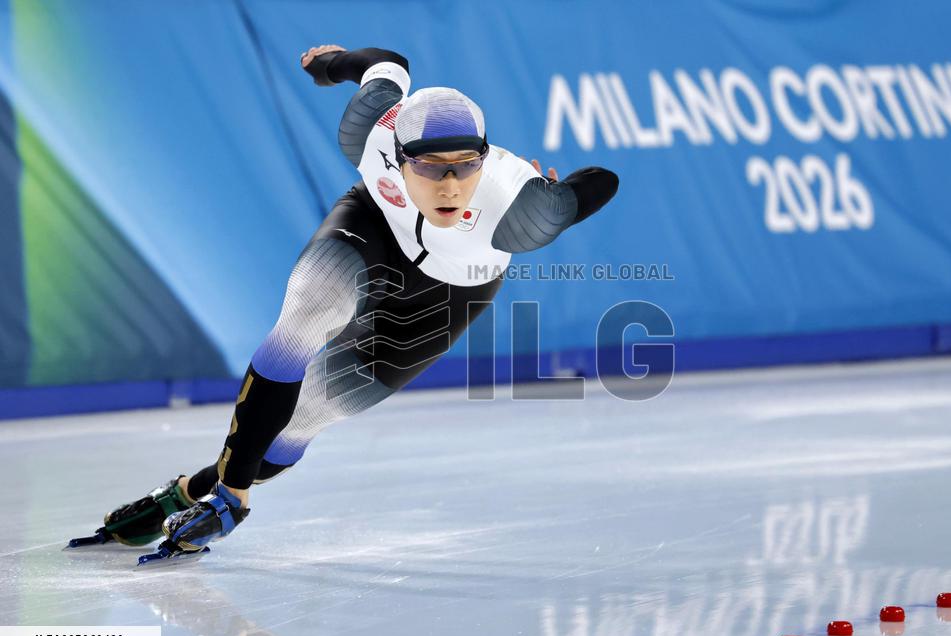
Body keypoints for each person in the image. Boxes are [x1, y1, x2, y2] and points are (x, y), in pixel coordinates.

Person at [69, 44, 619, 565]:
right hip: (372, 225)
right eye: (429, 167)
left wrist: (561, 190)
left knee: (301, 424)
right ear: (398, 155)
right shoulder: (370, 131)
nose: (450, 184)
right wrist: (329, 63)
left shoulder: (521, 208)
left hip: (452, 290)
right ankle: (230, 500)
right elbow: (385, 65)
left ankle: (188, 491)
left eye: (465, 165)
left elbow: (601, 182)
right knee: (303, 321)